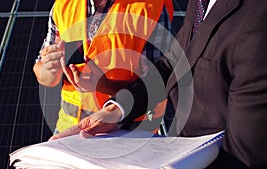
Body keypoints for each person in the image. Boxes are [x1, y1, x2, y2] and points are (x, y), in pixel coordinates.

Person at [51, 0, 267, 168]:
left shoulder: (258, 21)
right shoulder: (201, 3)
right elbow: (172, 62)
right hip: (181, 150)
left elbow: (244, 155)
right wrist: (118, 109)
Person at [33, 0, 174, 135]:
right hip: (71, 129)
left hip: (128, 132)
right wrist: (51, 70)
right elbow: (42, 74)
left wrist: (105, 86)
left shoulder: (150, 8)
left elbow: (158, 83)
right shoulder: (63, 5)